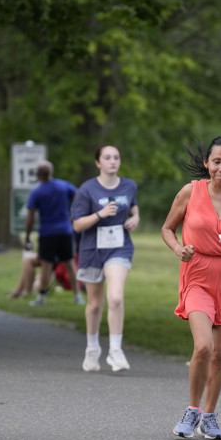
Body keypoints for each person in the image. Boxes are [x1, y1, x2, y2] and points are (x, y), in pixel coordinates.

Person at [161, 136, 221, 440]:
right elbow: (167, 228)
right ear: (207, 163)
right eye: (217, 161)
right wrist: (179, 249)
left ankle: (210, 416)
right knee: (204, 346)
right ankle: (191, 410)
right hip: (197, 275)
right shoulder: (191, 191)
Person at [71, 145, 139, 372]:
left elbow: (134, 207)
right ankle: (92, 349)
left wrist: (135, 219)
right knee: (94, 304)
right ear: (98, 163)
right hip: (92, 250)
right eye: (107, 157)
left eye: (116, 157)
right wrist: (100, 214)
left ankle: (115, 350)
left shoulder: (129, 186)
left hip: (119, 248)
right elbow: (77, 225)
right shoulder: (87, 189)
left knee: (116, 297)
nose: (112, 161)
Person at [24, 160, 83, 306]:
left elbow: (31, 218)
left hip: (47, 233)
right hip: (65, 231)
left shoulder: (37, 192)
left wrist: (27, 237)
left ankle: (41, 297)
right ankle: (77, 296)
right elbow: (80, 195)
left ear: (37, 174)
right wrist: (75, 214)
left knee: (46, 265)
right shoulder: (63, 185)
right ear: (51, 172)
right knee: (70, 264)